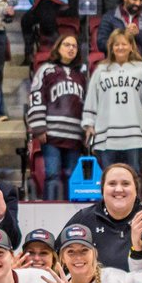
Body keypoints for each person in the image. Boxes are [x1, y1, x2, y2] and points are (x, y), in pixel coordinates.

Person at [65, 163, 142, 270]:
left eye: (125, 184)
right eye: (112, 184)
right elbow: (57, 255)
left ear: (136, 190)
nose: (119, 189)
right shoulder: (84, 218)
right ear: (102, 190)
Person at [82, 29, 142, 171]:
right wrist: (89, 124)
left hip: (135, 135)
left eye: (124, 44)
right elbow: (91, 99)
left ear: (131, 46)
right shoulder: (101, 70)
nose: (120, 47)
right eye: (116, 44)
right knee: (109, 176)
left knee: (133, 176)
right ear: (111, 48)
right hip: (106, 134)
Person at [27, 35, 86, 200]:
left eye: (74, 46)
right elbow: (36, 97)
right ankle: (51, 212)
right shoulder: (46, 70)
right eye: (66, 45)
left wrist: (86, 130)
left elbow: (86, 105)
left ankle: (70, 216)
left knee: (71, 179)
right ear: (58, 48)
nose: (71, 48)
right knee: (52, 176)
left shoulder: (80, 74)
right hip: (52, 134)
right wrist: (39, 127)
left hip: (74, 136)